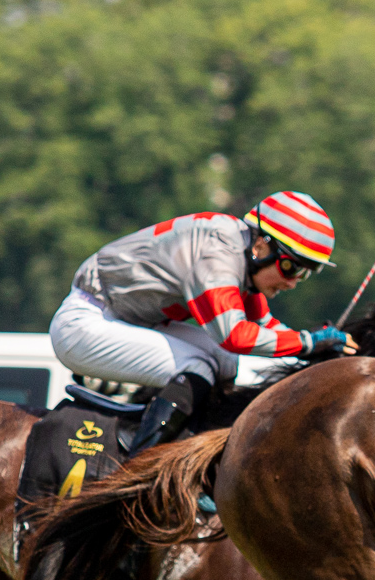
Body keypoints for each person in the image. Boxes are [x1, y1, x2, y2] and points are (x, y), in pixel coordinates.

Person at [48, 191, 354, 457]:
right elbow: (234, 335)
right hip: (85, 323)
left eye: (306, 273)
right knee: (197, 366)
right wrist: (308, 342)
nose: (293, 283)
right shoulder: (218, 254)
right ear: (262, 244)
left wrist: (317, 349)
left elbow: (265, 325)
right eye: (290, 267)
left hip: (127, 320)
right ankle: (142, 468)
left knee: (224, 362)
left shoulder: (241, 254)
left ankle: (198, 447)